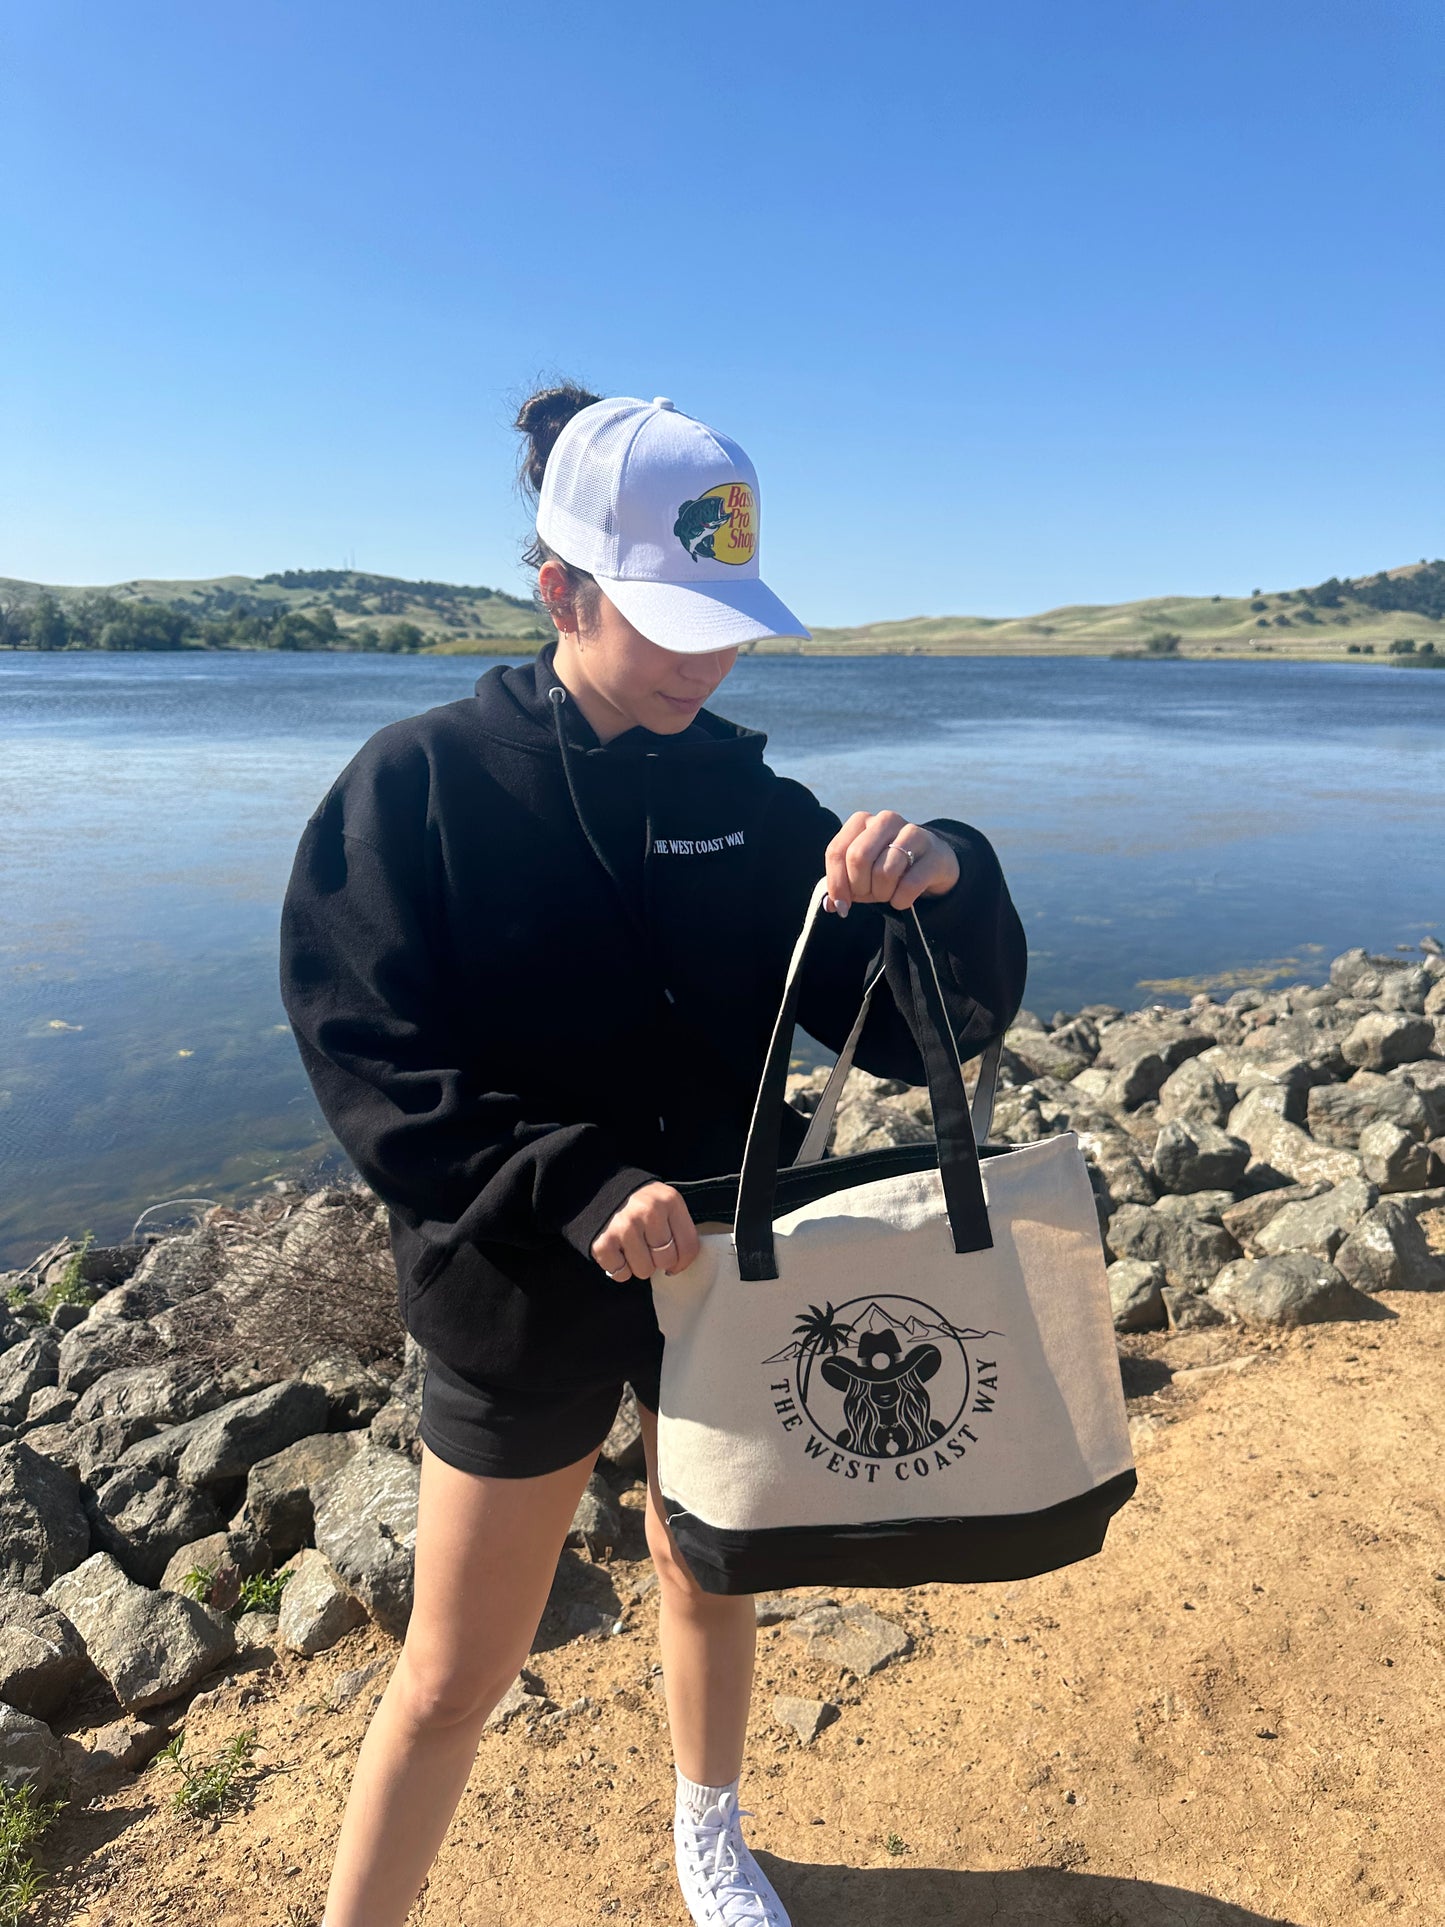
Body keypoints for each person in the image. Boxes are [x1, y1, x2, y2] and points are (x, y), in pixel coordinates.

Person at [278, 386, 1029, 1927]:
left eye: (728, 621)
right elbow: (371, 1058)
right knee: (453, 1670)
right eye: (670, 617)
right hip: (519, 1291)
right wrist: (572, 1183)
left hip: (729, 1284)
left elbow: (903, 1033)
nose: (708, 656)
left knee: (707, 1569)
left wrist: (942, 877)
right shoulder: (417, 787)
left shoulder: (750, 810)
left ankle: (708, 1830)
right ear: (561, 589)